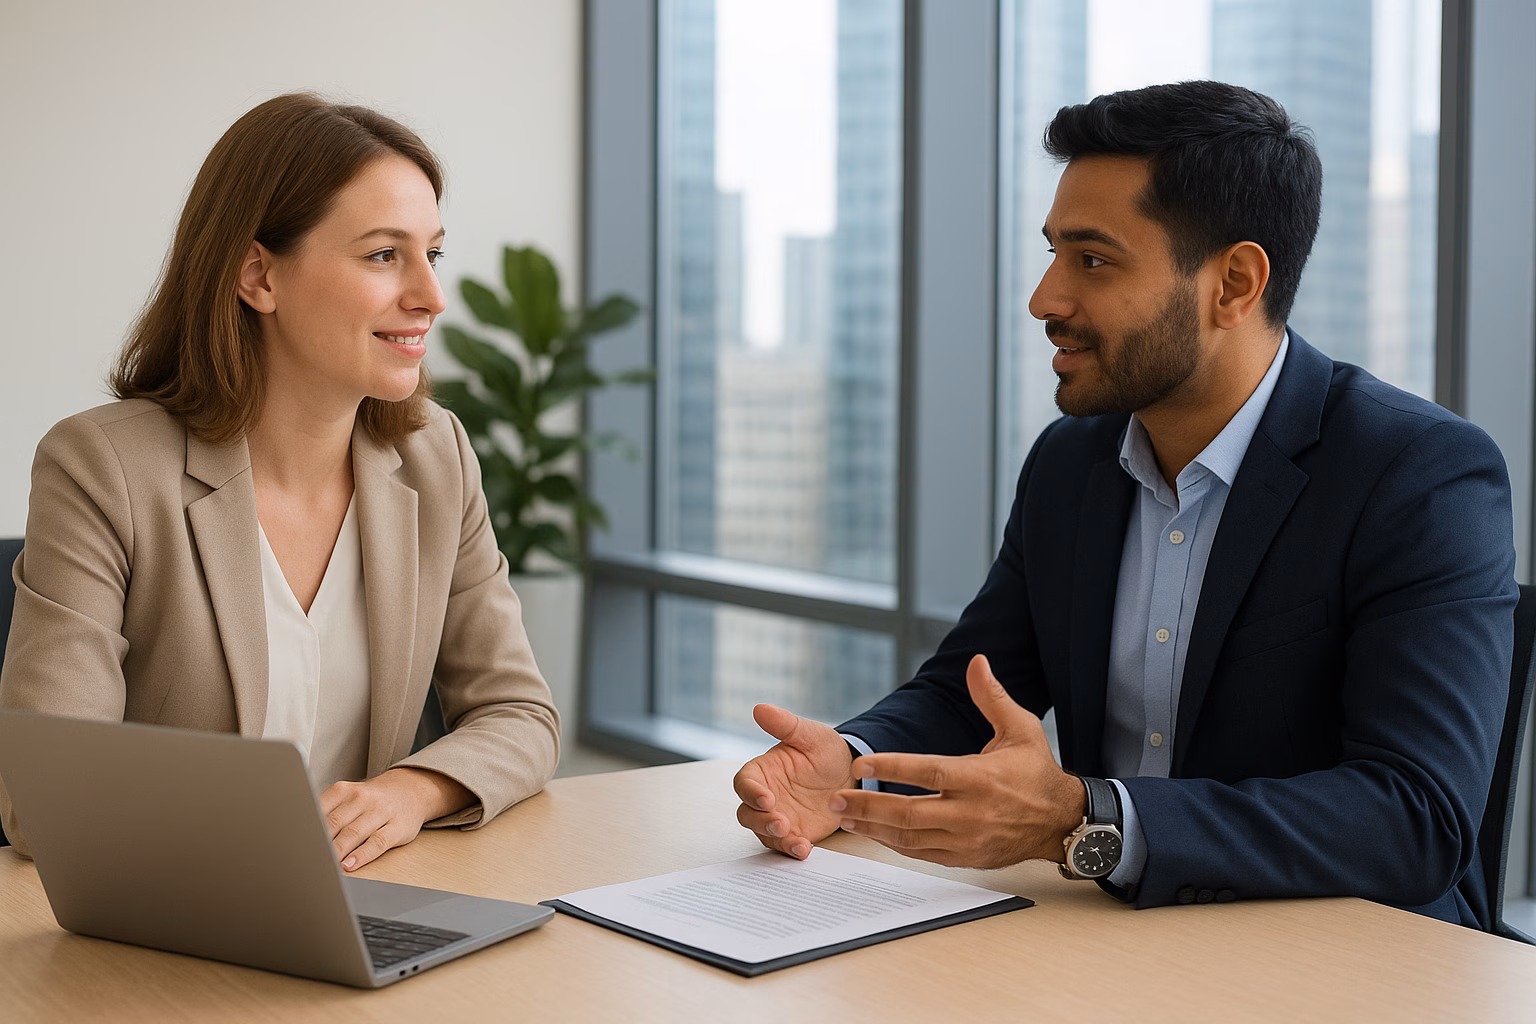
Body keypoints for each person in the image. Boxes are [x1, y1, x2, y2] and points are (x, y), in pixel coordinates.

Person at [733, 81, 1517, 928]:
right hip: (1112, 941)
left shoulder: (1416, 473)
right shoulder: (1073, 461)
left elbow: (1415, 817)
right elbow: (974, 692)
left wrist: (1085, 818)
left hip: (1354, 961)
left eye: (1093, 260)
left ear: (1234, 283)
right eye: (1052, 254)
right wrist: (848, 768)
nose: (1046, 300)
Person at [0, 94, 559, 871]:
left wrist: (413, 790)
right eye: (381, 255)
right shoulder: (103, 467)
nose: (430, 297)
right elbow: (46, 788)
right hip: (172, 915)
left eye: (432, 254)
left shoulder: (438, 457)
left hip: (366, 902)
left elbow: (520, 713)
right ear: (258, 274)